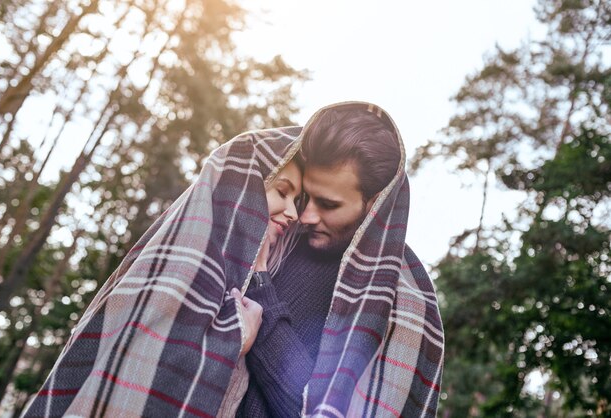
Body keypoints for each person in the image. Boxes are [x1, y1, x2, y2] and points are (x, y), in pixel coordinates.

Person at [23, 127, 305, 417]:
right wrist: (232, 339)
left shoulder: (242, 285)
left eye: (297, 201)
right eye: (282, 192)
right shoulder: (178, 262)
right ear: (241, 188)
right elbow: (140, 369)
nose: (293, 213)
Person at [238, 102, 445, 417]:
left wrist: (260, 288)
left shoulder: (400, 300)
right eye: (307, 196)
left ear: (374, 205)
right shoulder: (279, 236)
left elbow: (315, 410)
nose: (305, 216)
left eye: (328, 204)